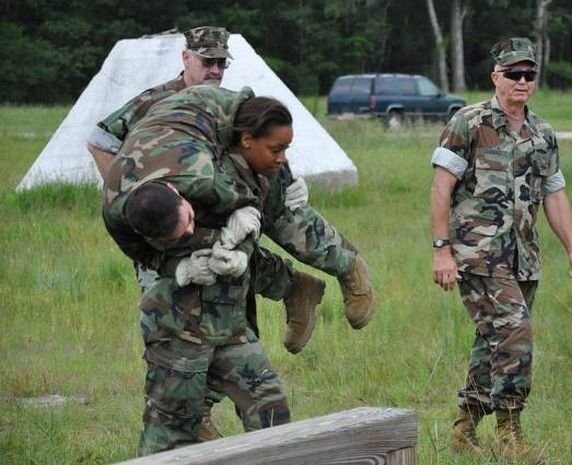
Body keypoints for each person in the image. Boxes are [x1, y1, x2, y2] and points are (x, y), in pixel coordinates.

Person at [89, 26, 376, 440]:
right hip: (173, 302)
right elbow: (101, 140)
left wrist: (265, 193)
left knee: (267, 403)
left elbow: (269, 206)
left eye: (222, 61)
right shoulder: (140, 182)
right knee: (174, 416)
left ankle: (339, 268)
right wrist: (146, 200)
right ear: (186, 58)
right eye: (208, 61)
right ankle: (198, 422)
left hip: (216, 274)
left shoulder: (222, 146)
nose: (216, 69)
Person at [103, 87, 301, 455]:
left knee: (270, 409)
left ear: (179, 194)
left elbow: (251, 185)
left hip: (226, 319)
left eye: (190, 221)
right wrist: (180, 266)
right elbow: (146, 256)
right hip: (176, 324)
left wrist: (278, 193)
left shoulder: (199, 174)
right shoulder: (117, 217)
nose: (193, 234)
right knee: (172, 429)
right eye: (181, 236)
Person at [429, 37, 572, 459]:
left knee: (494, 340)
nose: (522, 81)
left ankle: (464, 428)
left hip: (524, 257)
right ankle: (510, 432)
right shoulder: (469, 122)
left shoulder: (543, 133)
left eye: (529, 74)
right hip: (476, 256)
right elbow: (441, 189)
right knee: (516, 333)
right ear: (495, 76)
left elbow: (554, 194)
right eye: (514, 73)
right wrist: (441, 250)